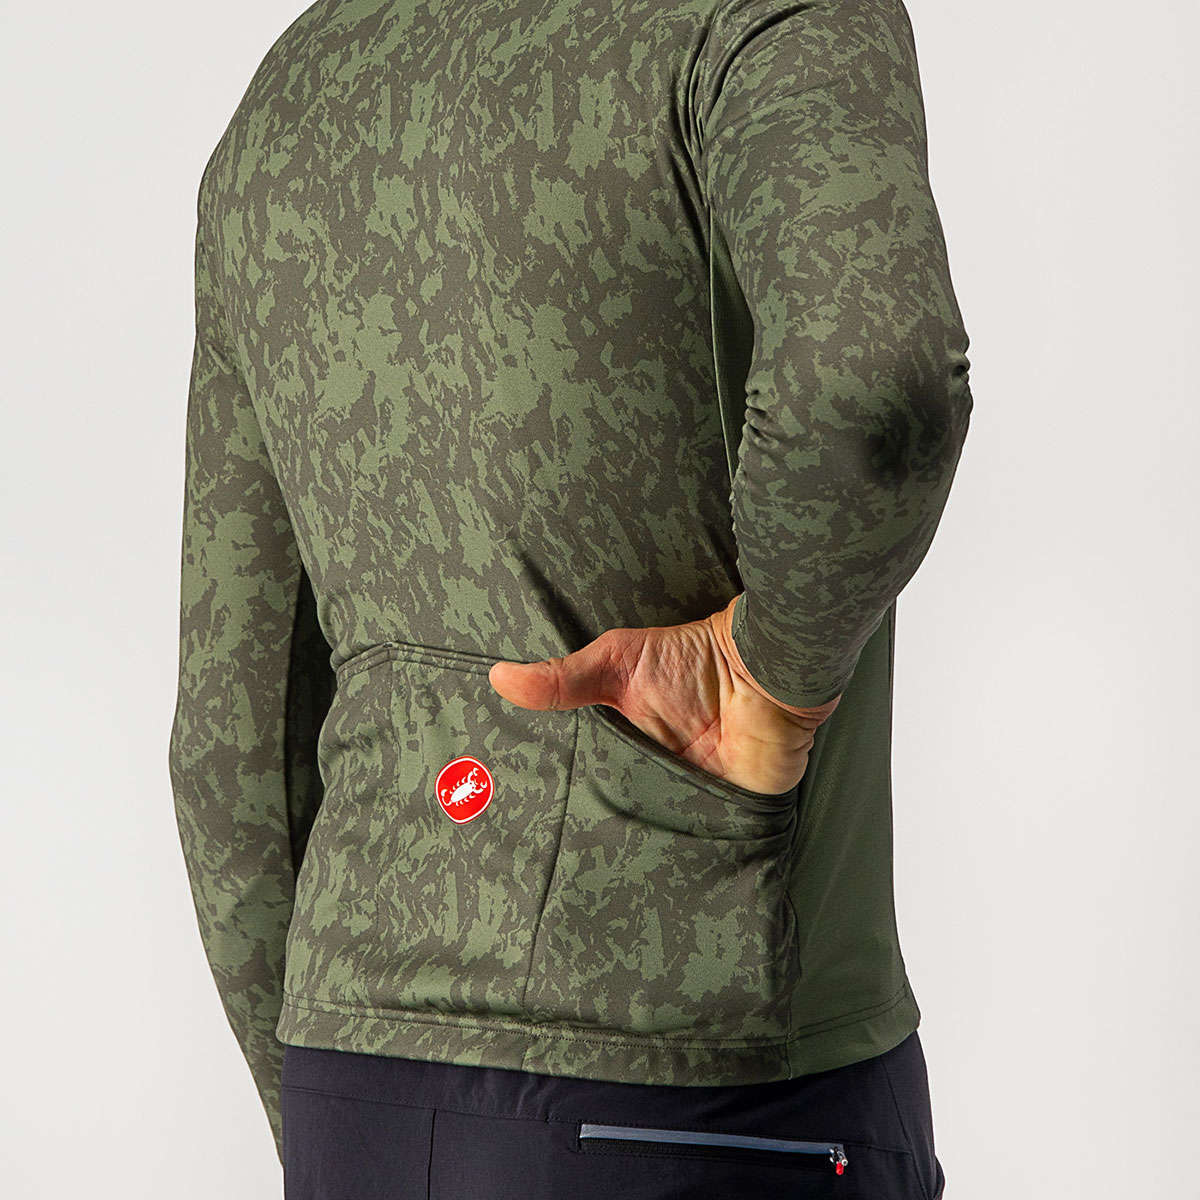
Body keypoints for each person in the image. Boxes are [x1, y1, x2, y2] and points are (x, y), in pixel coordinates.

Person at [168, 0, 972, 1195]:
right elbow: (875, 385)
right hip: (714, 1078)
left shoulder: (297, 86)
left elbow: (230, 745)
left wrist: (339, 1116)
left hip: (359, 1091)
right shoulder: (764, 20)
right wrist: (777, 679)